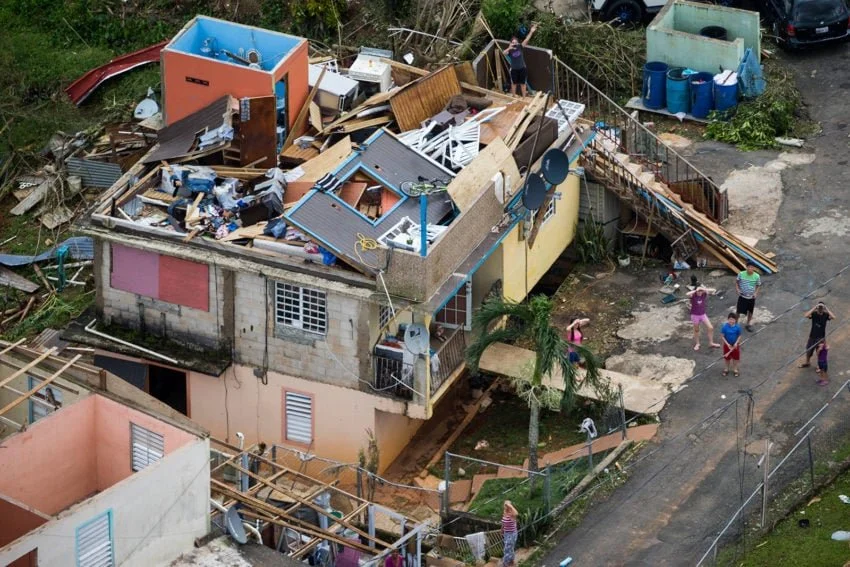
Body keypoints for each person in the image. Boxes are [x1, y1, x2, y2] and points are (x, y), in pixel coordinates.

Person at [502, 23, 537, 97]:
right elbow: (504, 53)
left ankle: (524, 97)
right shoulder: (510, 50)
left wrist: (531, 31)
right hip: (514, 69)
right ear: (510, 43)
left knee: (523, 84)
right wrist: (509, 47)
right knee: (514, 83)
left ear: (517, 42)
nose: (514, 43)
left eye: (515, 42)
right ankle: (514, 96)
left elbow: (527, 39)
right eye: (513, 42)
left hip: (522, 68)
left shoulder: (520, 47)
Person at [800, 302, 834, 368]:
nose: (820, 309)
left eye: (821, 307)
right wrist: (814, 307)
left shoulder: (826, 315)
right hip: (812, 336)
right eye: (819, 307)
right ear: (817, 308)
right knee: (808, 350)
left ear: (823, 308)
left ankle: (819, 366)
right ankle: (807, 362)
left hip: (821, 338)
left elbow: (833, 317)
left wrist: (826, 308)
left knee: (820, 352)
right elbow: (806, 315)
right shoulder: (814, 314)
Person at [686, 286, 720, 351]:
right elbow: (687, 294)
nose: (700, 292)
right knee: (696, 330)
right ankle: (697, 343)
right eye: (699, 291)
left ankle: (711, 343)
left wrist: (704, 289)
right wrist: (696, 290)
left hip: (703, 314)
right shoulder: (693, 296)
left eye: (701, 291)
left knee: (710, 327)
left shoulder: (703, 294)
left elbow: (714, 289)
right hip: (695, 315)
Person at [736, 261, 762, 332]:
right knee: (738, 311)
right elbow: (737, 282)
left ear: (754, 268)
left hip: (751, 297)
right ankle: (735, 325)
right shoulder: (741, 274)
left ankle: (748, 324)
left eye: (752, 267)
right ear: (746, 267)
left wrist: (756, 293)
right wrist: (738, 289)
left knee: (750, 311)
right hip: (742, 296)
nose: (750, 268)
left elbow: (758, 285)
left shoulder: (757, 276)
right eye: (749, 267)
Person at [720, 312, 742, 377]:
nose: (731, 321)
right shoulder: (724, 327)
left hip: (735, 345)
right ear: (728, 319)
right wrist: (727, 344)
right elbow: (722, 336)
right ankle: (726, 369)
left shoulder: (737, 327)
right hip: (727, 345)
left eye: (733, 319)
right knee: (727, 358)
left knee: (735, 358)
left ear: (735, 320)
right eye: (730, 319)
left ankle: (735, 369)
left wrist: (736, 343)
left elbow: (739, 336)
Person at [501, 500, 519, 566]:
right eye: (504, 505)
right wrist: (502, 530)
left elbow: (516, 513)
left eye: (506, 505)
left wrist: (509, 505)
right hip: (506, 533)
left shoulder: (512, 514)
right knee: (510, 548)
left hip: (512, 534)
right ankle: (511, 560)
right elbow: (503, 523)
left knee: (506, 549)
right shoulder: (505, 513)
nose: (504, 506)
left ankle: (505, 564)